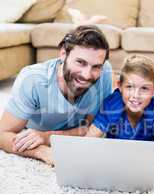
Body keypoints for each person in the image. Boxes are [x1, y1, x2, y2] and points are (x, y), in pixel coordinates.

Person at [0, 25, 112, 164]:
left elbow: (92, 127)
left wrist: (47, 137)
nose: (87, 75)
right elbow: (2, 135)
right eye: (80, 62)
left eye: (96, 66)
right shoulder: (32, 79)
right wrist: (42, 151)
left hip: (58, 131)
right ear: (63, 54)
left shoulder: (104, 72)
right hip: (34, 128)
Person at [86, 55, 154, 170]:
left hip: (145, 151)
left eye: (144, 88)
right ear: (120, 86)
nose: (136, 95)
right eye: (129, 87)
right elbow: (88, 141)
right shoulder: (111, 105)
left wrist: (147, 167)